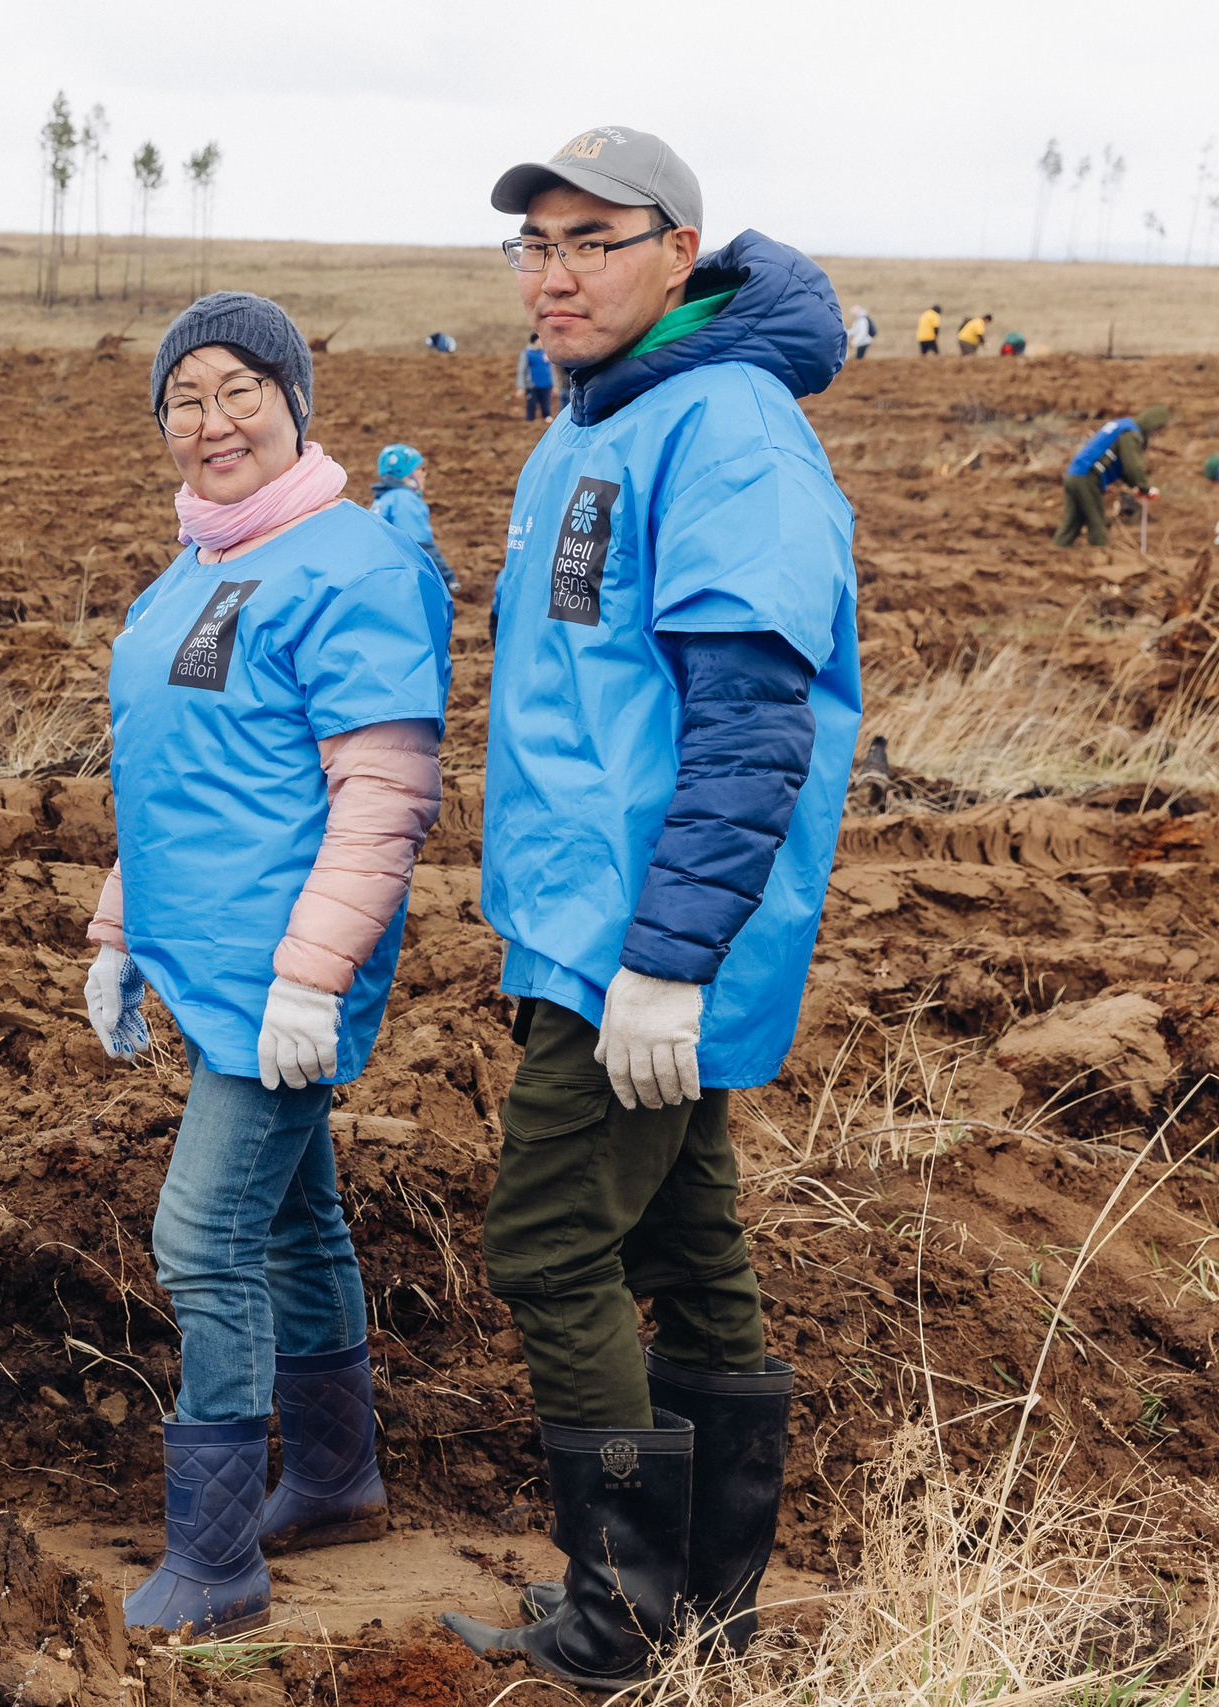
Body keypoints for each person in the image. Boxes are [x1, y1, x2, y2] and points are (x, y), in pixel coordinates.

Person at [445, 125, 858, 1686]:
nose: (554, 273)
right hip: (586, 925)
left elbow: (755, 718)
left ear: (679, 251)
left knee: (550, 1239)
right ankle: (705, 1612)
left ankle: (618, 1617)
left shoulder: (726, 427)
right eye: (533, 245)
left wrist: (669, 961)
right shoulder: (600, 418)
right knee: (691, 1240)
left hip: (644, 934)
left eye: (592, 240)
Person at [86, 291, 452, 1639]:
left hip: (286, 979)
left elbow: (383, 794)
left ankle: (219, 1555)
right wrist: (123, 928)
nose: (212, 418)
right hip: (216, 966)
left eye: (242, 387)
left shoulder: (349, 564)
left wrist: (312, 974)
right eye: (186, 396)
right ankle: (340, 1474)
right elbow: (171, 780)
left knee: (204, 1232)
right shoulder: (193, 569)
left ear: (296, 402)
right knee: (298, 1218)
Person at [1055, 406, 1166, 548]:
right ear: (1152, 425)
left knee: (1072, 522)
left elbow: (1122, 468)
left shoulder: (1123, 425)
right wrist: (1144, 487)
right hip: (1087, 476)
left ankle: (1058, 551)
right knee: (1096, 522)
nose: (1155, 436)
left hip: (1074, 474)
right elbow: (1132, 466)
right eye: (1157, 431)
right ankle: (1100, 558)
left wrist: (1136, 486)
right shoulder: (1130, 433)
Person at [370, 444, 455, 590]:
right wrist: (447, 577)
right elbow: (420, 544)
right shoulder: (404, 500)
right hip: (398, 581)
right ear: (405, 473)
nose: (424, 474)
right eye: (420, 469)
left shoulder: (382, 500)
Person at [521, 332, 557, 418]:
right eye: (539, 340)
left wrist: (554, 385)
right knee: (531, 407)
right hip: (532, 385)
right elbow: (522, 371)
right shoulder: (527, 354)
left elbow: (551, 370)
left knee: (546, 408)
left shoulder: (546, 353)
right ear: (534, 341)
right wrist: (521, 387)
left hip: (546, 385)